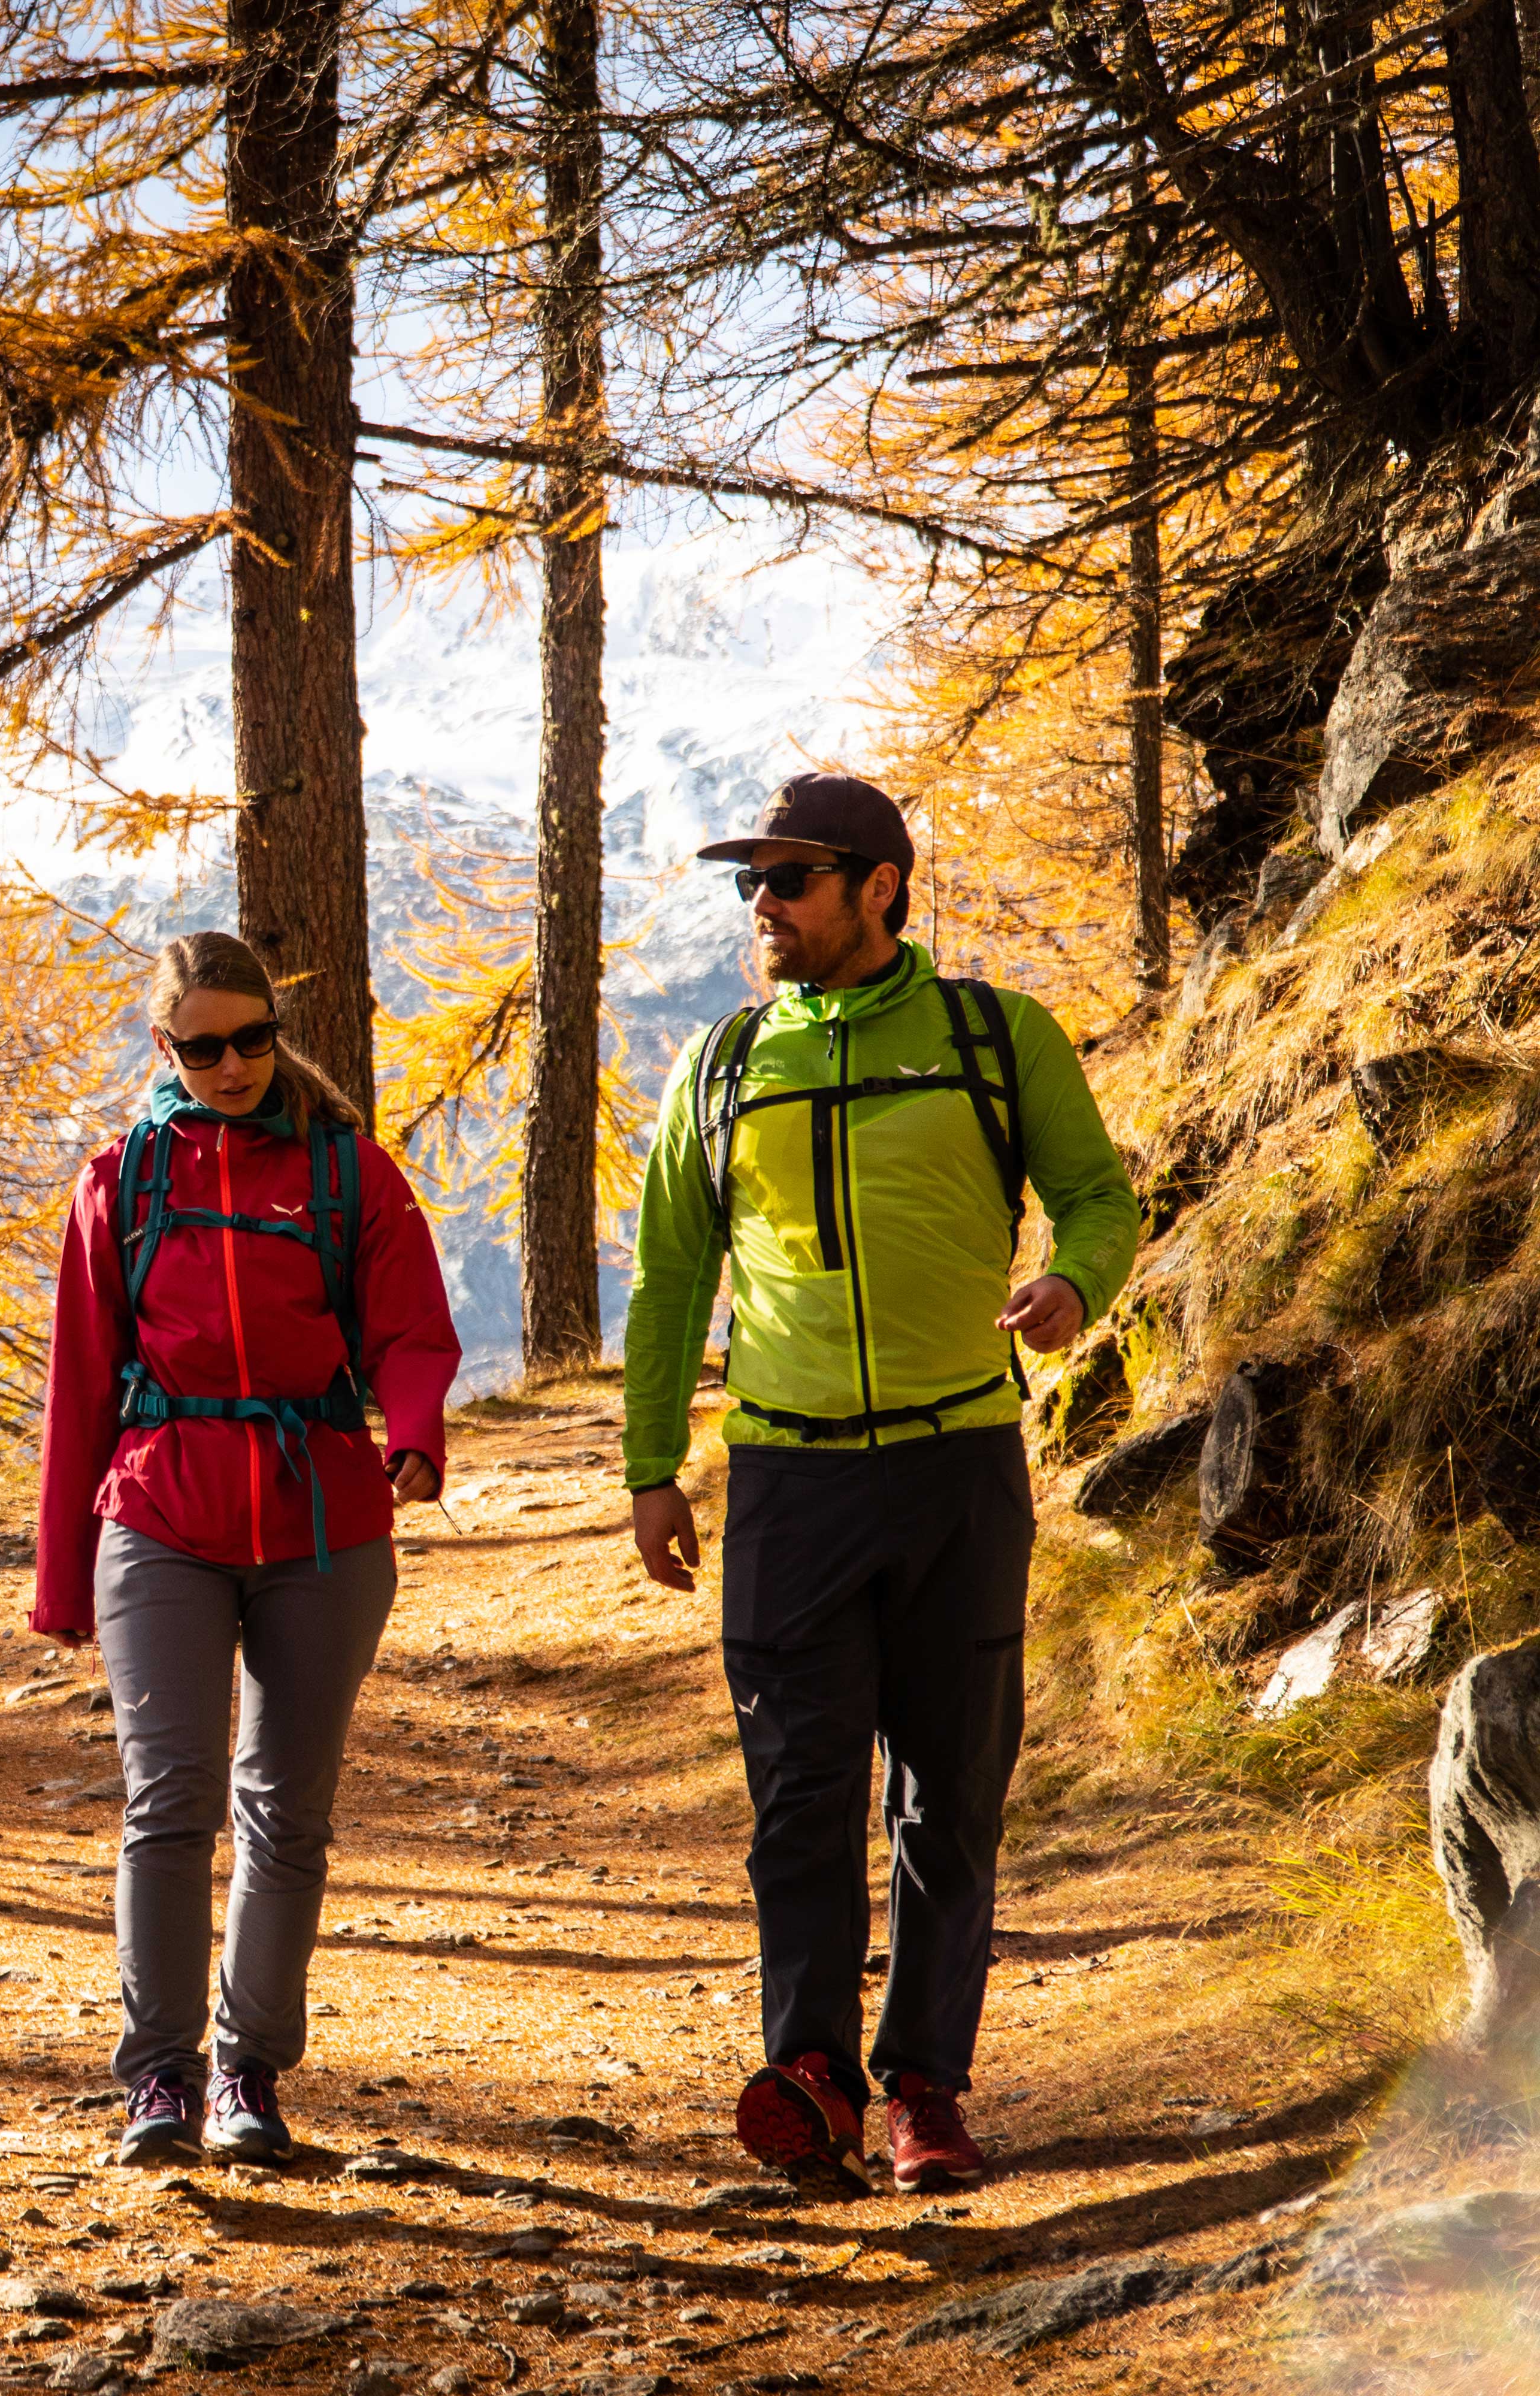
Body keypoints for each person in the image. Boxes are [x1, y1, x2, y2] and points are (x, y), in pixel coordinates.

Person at [622, 773, 1137, 2194]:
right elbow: (671, 1274)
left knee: (949, 1794)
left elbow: (1099, 1191)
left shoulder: (992, 1033)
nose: (763, 907)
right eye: (752, 884)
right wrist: (652, 1465)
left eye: (791, 879)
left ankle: (925, 2085)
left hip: (958, 1466)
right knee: (798, 1794)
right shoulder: (724, 1064)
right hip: (787, 1478)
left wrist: (1072, 1282)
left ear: (880, 885)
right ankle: (810, 2071)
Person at [31, 931, 460, 2167]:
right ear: (164, 1049)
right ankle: (157, 2077)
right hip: (159, 1512)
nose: (232, 1065)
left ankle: (247, 2076)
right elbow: (78, 1390)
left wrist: (415, 1437)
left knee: (286, 1810)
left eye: (253, 1038)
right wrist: (63, 1578)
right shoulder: (122, 1179)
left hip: (323, 1519)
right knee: (170, 1804)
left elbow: (413, 1329)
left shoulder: (347, 1172)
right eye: (203, 1046)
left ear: (277, 1032)